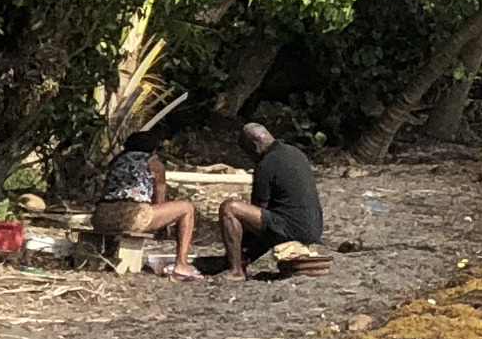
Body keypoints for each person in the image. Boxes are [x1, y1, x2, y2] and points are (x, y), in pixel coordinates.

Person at [215, 119, 326, 279]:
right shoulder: (294, 152)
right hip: (313, 227)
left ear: (254, 147)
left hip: (293, 227)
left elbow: (260, 211)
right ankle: (241, 260)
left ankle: (236, 270)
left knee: (230, 208)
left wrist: (239, 247)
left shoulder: (266, 164)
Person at [93, 139, 198, 279]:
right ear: (153, 151)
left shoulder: (117, 161)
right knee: (187, 208)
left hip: (102, 215)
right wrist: (163, 226)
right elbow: (159, 200)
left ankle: (108, 255)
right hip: (132, 216)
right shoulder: (153, 163)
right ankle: (181, 265)